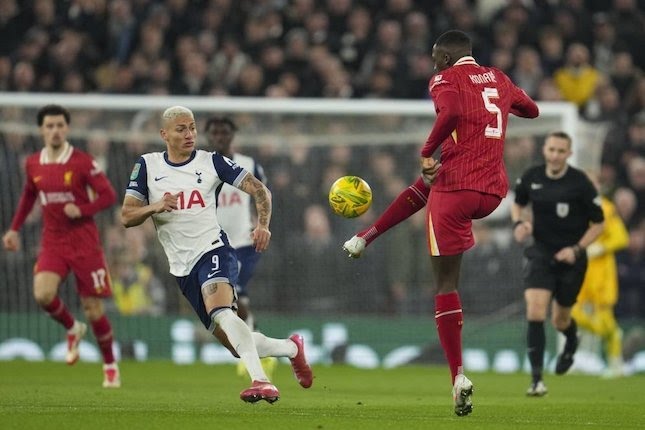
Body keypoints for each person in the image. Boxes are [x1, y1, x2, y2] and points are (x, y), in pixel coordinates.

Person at [343, 29, 539, 416]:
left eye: (435, 59)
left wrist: (426, 149)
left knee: (445, 284)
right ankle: (366, 236)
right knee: (426, 184)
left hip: (458, 191)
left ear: (445, 58)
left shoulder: (444, 79)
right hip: (493, 191)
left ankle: (458, 377)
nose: (433, 65)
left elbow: (449, 111)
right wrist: (497, 109)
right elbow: (531, 110)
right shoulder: (498, 77)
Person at [120, 106, 313, 403]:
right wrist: (154, 207)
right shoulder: (148, 166)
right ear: (164, 134)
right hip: (181, 268)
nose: (189, 134)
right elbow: (127, 215)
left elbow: (260, 190)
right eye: (181, 129)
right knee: (236, 344)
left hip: (214, 250)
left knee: (223, 312)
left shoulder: (212, 162)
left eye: (193, 128)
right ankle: (291, 349)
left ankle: (261, 380)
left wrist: (263, 225)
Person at [2, 104, 121, 388]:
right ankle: (72, 327)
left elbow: (109, 195)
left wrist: (81, 209)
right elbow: (28, 197)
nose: (55, 130)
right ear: (42, 130)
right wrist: (14, 229)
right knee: (43, 294)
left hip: (84, 243)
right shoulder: (33, 163)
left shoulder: (82, 161)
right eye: (49, 126)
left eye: (59, 125)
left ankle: (109, 364)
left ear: (66, 128)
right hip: (53, 241)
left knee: (93, 308)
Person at [511, 131, 605, 397]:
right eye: (551, 149)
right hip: (541, 253)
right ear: (544, 150)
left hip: (571, 259)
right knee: (536, 310)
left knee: (560, 319)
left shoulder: (581, 183)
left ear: (569, 154)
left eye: (560, 151)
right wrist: (520, 223)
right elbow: (518, 204)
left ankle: (571, 341)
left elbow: (599, 223)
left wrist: (576, 249)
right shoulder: (532, 177)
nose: (555, 155)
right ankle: (536, 380)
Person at [203, 115, 278, 377]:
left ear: (232, 135)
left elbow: (263, 194)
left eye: (224, 132)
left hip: (245, 243)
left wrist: (261, 224)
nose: (220, 137)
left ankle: (251, 350)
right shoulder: (201, 166)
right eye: (215, 132)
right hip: (213, 243)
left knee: (233, 294)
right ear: (208, 135)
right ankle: (256, 341)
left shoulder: (248, 165)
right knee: (234, 301)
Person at [571, 175, 629, 378]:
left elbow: (622, 237)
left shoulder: (607, 208)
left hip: (602, 272)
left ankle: (615, 364)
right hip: (581, 270)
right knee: (572, 314)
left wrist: (601, 247)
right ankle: (608, 336)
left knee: (604, 315)